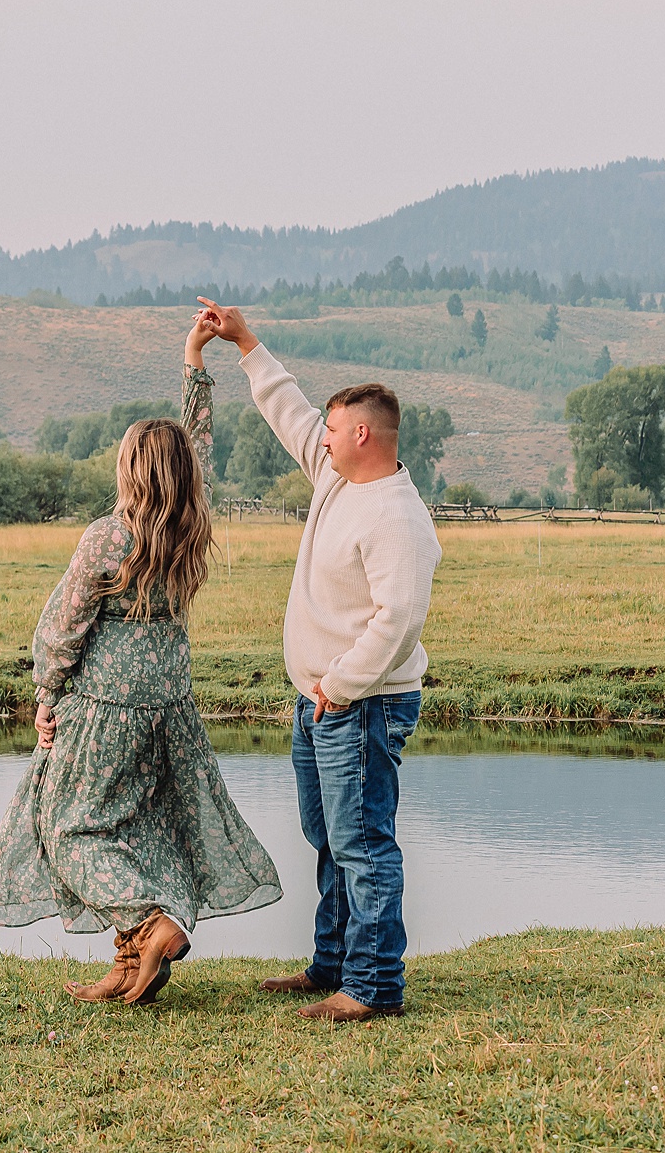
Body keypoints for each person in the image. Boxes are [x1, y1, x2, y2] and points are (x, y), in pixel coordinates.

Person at [0, 319, 281, 1004]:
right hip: (169, 710)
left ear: (129, 472)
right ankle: (134, 959)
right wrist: (194, 359)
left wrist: (46, 694)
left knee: (68, 826)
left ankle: (149, 920)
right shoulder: (190, 525)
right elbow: (197, 444)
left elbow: (63, 628)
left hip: (104, 709)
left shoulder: (107, 537)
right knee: (141, 825)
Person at [195, 297, 442, 1023]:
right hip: (322, 701)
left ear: (362, 433)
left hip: (359, 704)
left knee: (363, 844)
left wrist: (336, 686)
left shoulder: (397, 516)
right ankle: (330, 966)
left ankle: (372, 987)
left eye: (336, 430)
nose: (323, 439)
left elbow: (398, 622)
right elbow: (292, 414)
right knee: (330, 838)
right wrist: (246, 345)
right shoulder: (339, 478)